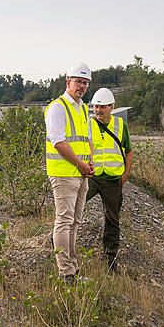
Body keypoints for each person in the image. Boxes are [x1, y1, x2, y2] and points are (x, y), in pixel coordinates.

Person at [45, 63, 95, 282]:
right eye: (78, 81)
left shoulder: (83, 108)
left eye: (85, 83)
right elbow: (58, 142)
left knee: (75, 221)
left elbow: (86, 139)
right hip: (64, 172)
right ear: (68, 83)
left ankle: (73, 268)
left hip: (80, 172)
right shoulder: (57, 107)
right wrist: (80, 164)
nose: (81, 86)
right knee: (64, 220)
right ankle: (65, 272)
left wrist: (89, 162)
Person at [87, 88, 133, 271]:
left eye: (103, 107)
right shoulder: (87, 124)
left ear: (111, 107)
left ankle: (111, 260)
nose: (98, 110)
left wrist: (126, 174)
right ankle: (63, 251)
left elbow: (128, 151)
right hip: (91, 178)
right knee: (73, 209)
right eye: (96, 107)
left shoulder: (120, 125)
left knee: (112, 220)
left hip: (113, 181)